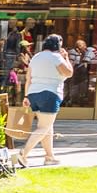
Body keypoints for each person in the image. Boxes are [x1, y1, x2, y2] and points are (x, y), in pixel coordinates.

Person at [18, 32, 72, 167]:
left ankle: (49, 156)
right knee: (44, 127)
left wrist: (26, 96)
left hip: (34, 94)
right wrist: (66, 58)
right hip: (50, 94)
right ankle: (23, 154)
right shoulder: (56, 58)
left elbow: (28, 78)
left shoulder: (36, 57)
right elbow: (69, 73)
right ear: (58, 45)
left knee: (47, 126)